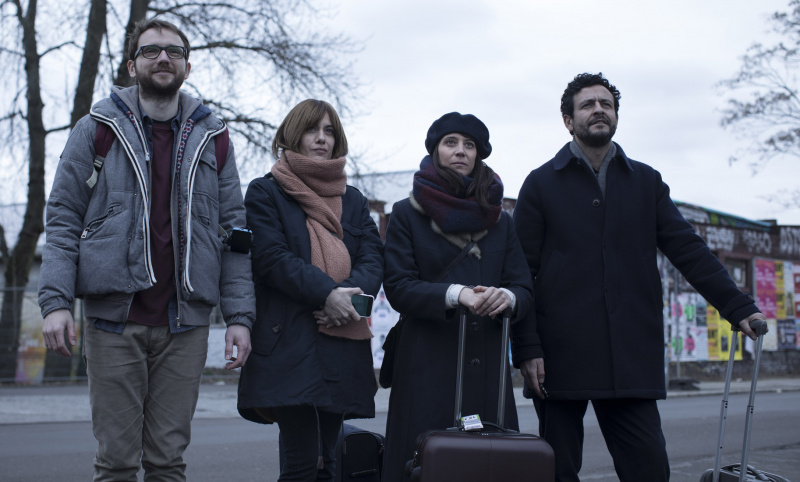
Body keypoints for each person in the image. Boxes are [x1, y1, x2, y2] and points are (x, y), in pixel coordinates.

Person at [512, 72, 766, 482]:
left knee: (649, 469)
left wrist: (737, 306)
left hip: (629, 356)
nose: (599, 110)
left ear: (616, 115)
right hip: (559, 357)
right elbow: (520, 272)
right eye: (587, 105)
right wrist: (526, 348)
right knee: (556, 472)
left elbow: (689, 249)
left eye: (606, 104)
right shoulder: (541, 184)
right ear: (568, 120)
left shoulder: (646, 181)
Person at [38, 18, 255, 480]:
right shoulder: (96, 129)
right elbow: (62, 220)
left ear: (187, 67)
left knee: (167, 463)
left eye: (174, 51)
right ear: (132, 64)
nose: (163, 58)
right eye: (151, 50)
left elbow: (235, 234)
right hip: (113, 321)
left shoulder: (214, 138)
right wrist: (55, 303)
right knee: (116, 463)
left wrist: (239, 316)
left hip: (186, 324)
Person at [381, 112, 534, 482]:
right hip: (426, 364)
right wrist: (456, 294)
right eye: (451, 142)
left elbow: (523, 287)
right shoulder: (406, 213)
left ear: (479, 154)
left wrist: (507, 298)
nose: (461, 151)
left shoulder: (502, 220)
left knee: (487, 467)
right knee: (423, 466)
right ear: (435, 150)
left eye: (470, 145)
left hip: (488, 367)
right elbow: (398, 286)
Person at [237, 99, 383, 481]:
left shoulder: (353, 200)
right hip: (290, 343)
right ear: (293, 135)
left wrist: (347, 300)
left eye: (329, 131)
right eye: (311, 129)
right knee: (302, 463)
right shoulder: (266, 192)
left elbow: (373, 258)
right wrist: (328, 295)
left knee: (329, 463)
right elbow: (271, 258)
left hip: (341, 342)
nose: (321, 138)